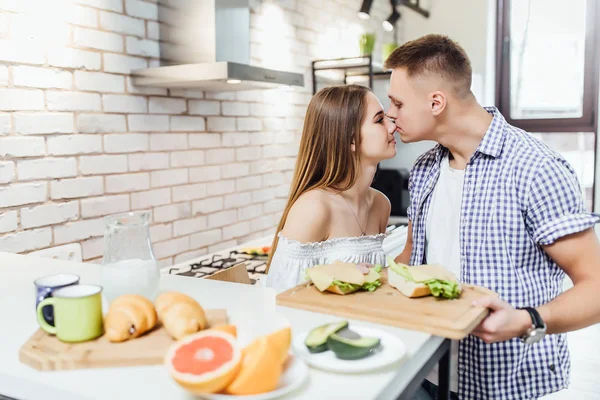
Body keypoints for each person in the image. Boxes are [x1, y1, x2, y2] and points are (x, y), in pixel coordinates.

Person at [385, 34, 600, 400]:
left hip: (502, 384)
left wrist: (526, 319)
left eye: (398, 103)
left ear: (436, 102)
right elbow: (410, 260)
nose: (391, 115)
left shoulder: (536, 169)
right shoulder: (424, 169)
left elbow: (595, 288)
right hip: (422, 367)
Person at [264, 84, 397, 293]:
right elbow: (280, 293)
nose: (392, 127)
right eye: (379, 120)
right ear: (352, 139)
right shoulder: (314, 207)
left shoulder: (380, 205)